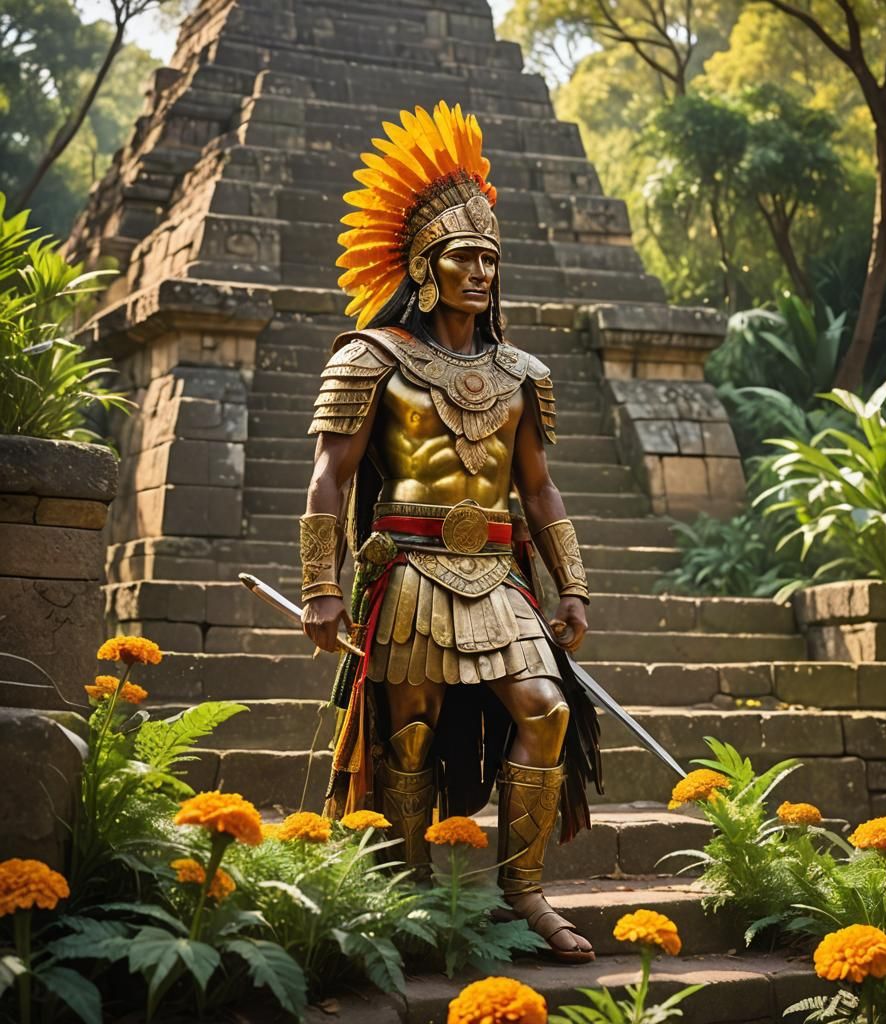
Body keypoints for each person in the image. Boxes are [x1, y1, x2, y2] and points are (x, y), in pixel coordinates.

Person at [299, 101, 600, 964]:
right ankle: (411, 890)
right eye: (464, 256)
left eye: (490, 259)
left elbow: (540, 492)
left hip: (499, 579)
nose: (480, 270)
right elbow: (330, 477)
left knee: (543, 710)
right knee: (412, 732)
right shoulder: (371, 358)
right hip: (410, 577)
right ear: (426, 267)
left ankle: (526, 892)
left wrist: (571, 585)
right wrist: (322, 589)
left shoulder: (521, 373)